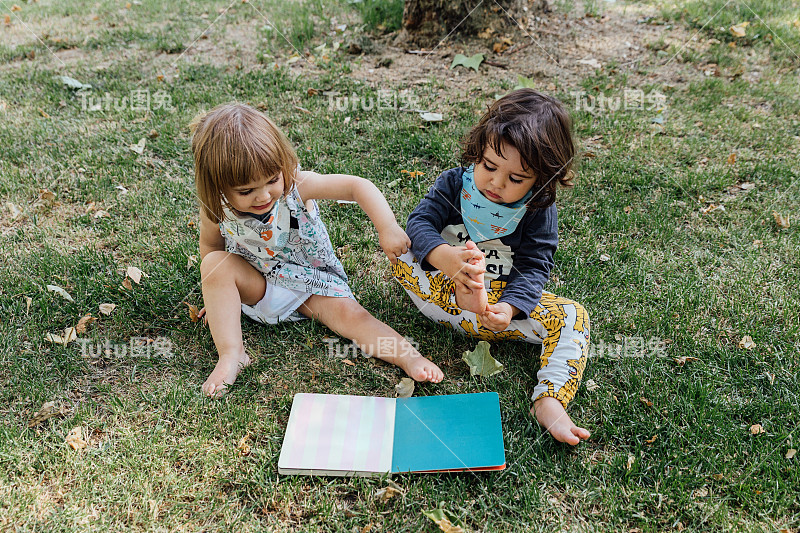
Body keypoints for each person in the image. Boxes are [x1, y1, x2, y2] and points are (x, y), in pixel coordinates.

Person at [190, 103, 443, 397]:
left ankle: (407, 356)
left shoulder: (297, 186)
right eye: (245, 191)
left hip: (312, 285)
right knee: (213, 265)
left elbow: (357, 186)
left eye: (272, 180)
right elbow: (211, 249)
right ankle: (233, 354)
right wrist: (220, 294)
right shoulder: (215, 207)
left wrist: (386, 227)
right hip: (257, 286)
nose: (263, 195)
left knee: (354, 319)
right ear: (217, 184)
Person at [392, 89, 591, 445]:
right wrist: (444, 259)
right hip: (438, 290)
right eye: (489, 166)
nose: (497, 183)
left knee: (574, 317)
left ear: (542, 180)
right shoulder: (455, 184)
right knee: (399, 248)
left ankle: (549, 399)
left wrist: (508, 308)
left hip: (492, 311)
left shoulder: (538, 210)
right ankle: (458, 289)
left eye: (516, 179)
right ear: (478, 151)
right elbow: (420, 222)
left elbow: (534, 266)